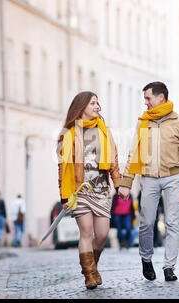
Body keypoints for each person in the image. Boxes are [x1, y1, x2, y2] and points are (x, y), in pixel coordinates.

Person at [118, 82, 179, 282]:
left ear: (161, 97)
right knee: (146, 223)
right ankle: (146, 258)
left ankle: (169, 267)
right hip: (149, 178)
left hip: (173, 177)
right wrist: (126, 182)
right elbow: (134, 154)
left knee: (172, 223)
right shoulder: (144, 122)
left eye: (148, 98)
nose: (145, 103)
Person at [57, 91, 121, 289]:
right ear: (82, 106)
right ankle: (89, 275)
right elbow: (62, 168)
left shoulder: (104, 131)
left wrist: (118, 184)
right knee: (86, 232)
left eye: (98, 103)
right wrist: (65, 195)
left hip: (102, 190)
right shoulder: (68, 134)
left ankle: (91, 266)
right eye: (93, 103)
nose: (97, 107)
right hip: (80, 190)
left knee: (101, 235)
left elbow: (114, 159)